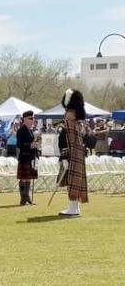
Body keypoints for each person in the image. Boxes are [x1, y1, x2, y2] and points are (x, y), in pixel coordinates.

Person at [58, 89, 88, 217]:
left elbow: (63, 139)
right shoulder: (79, 123)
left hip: (71, 153)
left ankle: (73, 208)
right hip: (78, 153)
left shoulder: (69, 121)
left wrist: (64, 156)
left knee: (72, 180)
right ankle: (75, 207)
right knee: (77, 180)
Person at [16, 110, 38, 205]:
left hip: (31, 157)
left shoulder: (30, 130)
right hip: (24, 157)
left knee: (29, 178)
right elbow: (20, 145)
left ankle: (27, 197)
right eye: (31, 118)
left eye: (33, 118)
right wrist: (30, 145)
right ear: (25, 119)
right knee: (24, 178)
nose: (33, 120)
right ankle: (23, 199)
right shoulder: (21, 130)